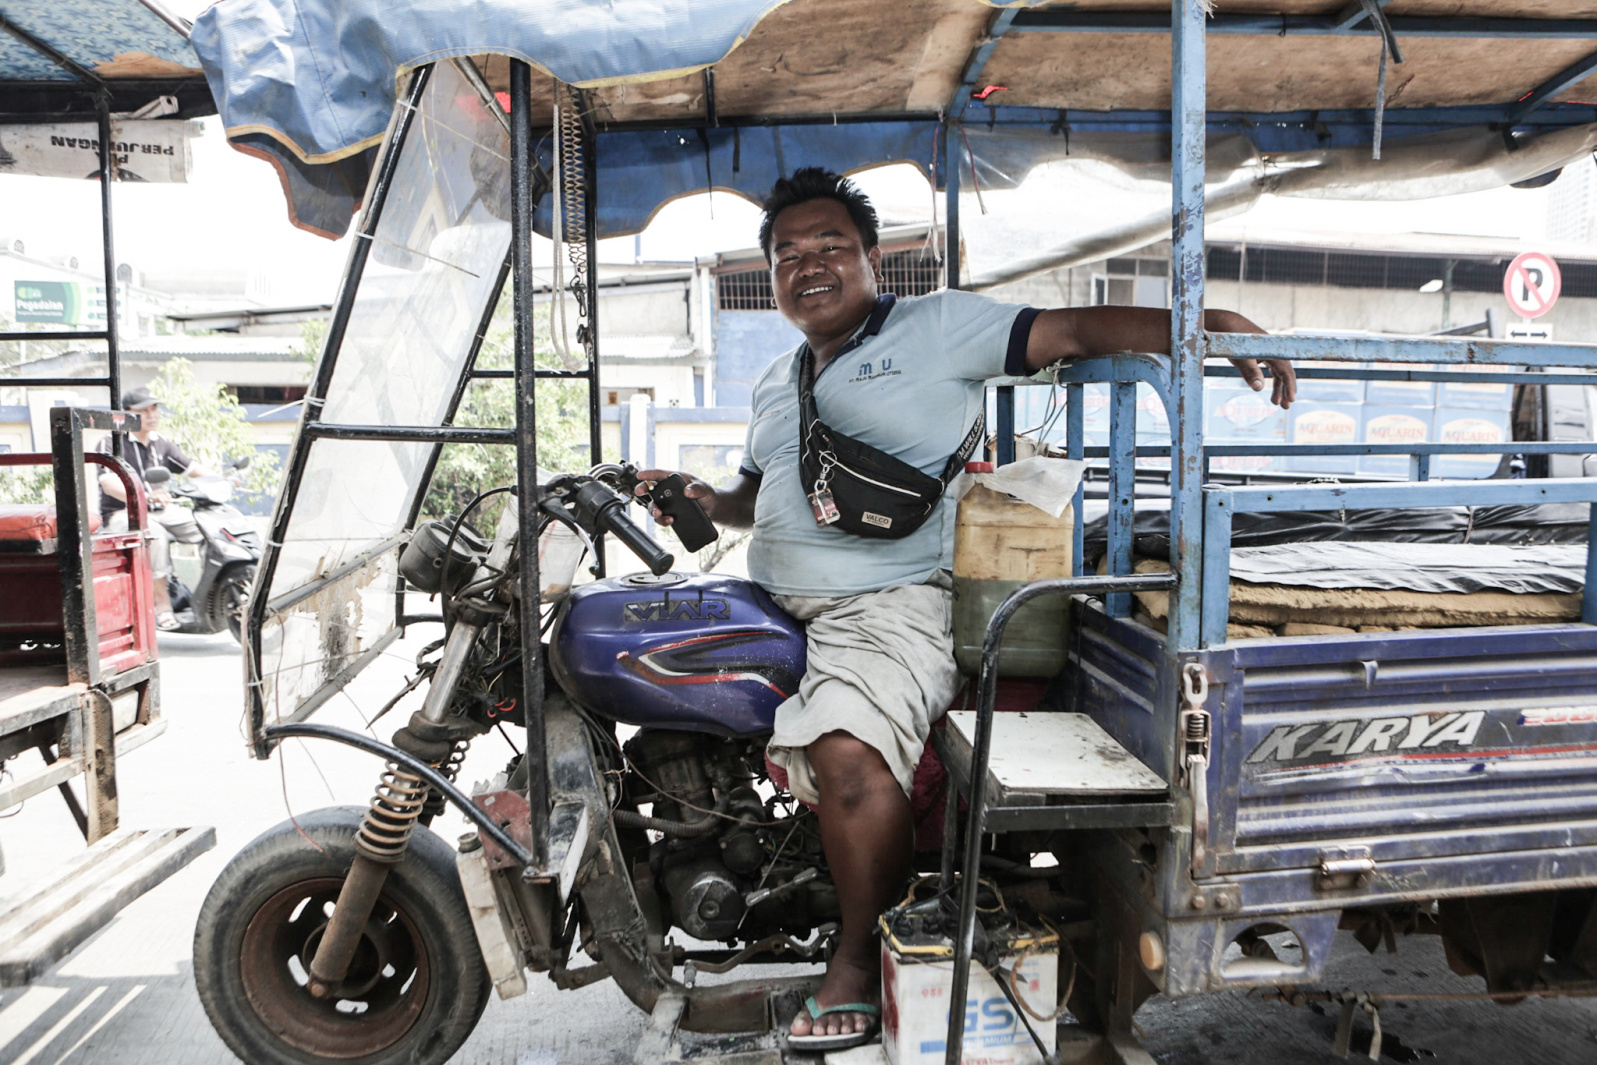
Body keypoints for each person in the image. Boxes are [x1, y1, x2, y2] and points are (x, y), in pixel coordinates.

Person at [637, 168, 1296, 1049]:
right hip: (775, 600)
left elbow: (1072, 327)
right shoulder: (776, 378)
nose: (809, 265)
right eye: (787, 254)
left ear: (874, 259)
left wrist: (1204, 323)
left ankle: (859, 960)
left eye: (830, 245)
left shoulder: (938, 326)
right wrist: (703, 499)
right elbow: (761, 494)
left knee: (847, 752)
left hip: (887, 603)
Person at [97, 388, 209, 630]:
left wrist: (222, 482)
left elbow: (194, 469)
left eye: (154, 409)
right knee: (155, 533)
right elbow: (109, 484)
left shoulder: (162, 444)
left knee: (209, 528)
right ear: (127, 414)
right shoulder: (111, 442)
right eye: (143, 410)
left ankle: (210, 596)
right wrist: (146, 496)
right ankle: (163, 605)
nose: (151, 415)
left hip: (160, 510)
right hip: (122, 514)